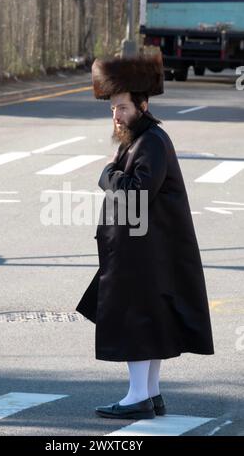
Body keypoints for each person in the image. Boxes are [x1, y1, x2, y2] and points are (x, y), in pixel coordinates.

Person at [75, 53, 214, 420]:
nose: (116, 115)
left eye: (122, 107)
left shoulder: (150, 141)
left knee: (136, 321)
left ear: (143, 104)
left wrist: (108, 174)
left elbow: (137, 193)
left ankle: (138, 397)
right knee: (149, 321)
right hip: (145, 250)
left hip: (144, 252)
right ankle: (149, 394)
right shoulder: (142, 138)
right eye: (113, 109)